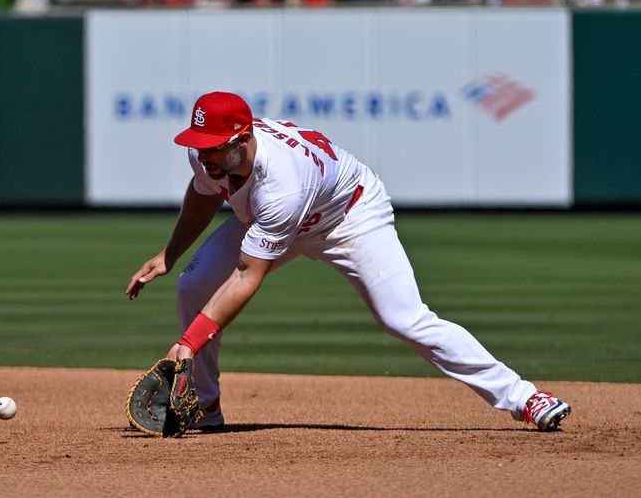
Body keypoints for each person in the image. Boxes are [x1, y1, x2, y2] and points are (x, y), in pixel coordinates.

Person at [126, 91, 572, 433]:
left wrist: (188, 344)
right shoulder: (212, 154)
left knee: (405, 318)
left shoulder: (282, 182)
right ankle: (207, 405)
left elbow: (246, 275)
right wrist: (170, 253)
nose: (203, 155)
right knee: (192, 284)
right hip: (274, 218)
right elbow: (203, 195)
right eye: (198, 146)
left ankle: (524, 398)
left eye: (213, 148)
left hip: (350, 217)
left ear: (243, 139)